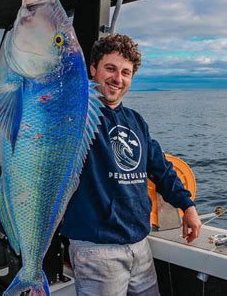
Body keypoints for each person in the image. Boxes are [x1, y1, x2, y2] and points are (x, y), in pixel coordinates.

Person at [60, 34, 202, 296]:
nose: (118, 78)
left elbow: (161, 169)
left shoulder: (135, 121)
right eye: (110, 68)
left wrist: (188, 206)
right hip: (96, 248)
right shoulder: (74, 118)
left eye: (126, 72)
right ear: (93, 70)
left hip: (139, 244)